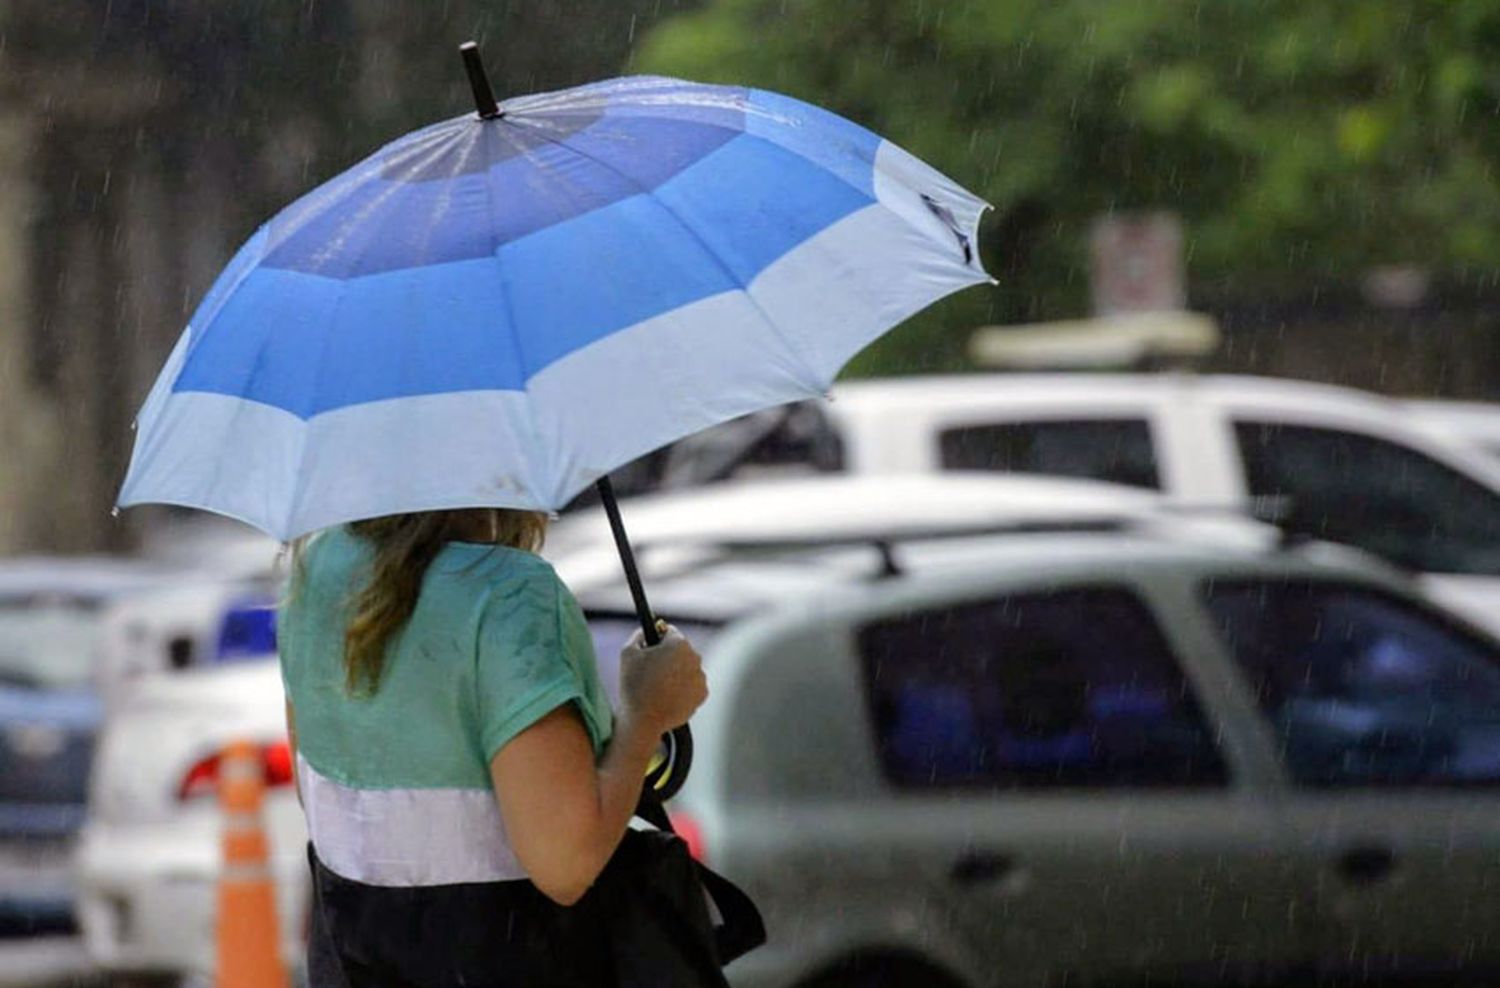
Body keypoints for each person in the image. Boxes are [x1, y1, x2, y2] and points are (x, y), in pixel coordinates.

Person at [278, 507, 708, 987]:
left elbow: (315, 792)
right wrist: (646, 712)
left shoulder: (317, 569)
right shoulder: (509, 595)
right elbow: (566, 864)